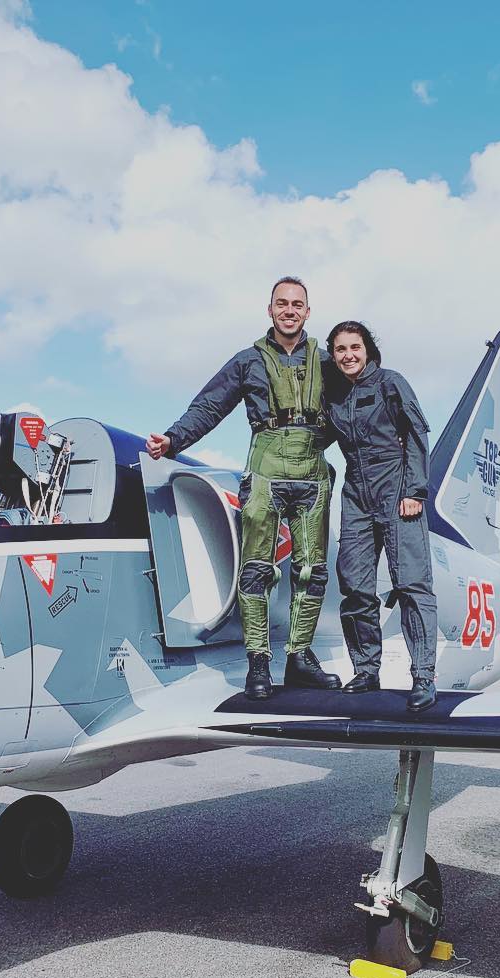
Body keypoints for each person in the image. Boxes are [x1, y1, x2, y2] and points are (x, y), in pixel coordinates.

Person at [147, 277, 342, 701]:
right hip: (266, 469)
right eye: (281, 304)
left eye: (297, 304)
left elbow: (361, 406)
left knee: (312, 571)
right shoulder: (247, 361)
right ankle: (258, 662)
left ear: (308, 312)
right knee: (256, 569)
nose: (289, 310)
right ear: (270, 310)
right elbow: (210, 405)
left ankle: (300, 657)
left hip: (313, 471)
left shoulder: (328, 362)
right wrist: (174, 439)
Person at [324, 321, 438, 712]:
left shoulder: (391, 383)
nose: (348, 355)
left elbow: (417, 433)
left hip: (396, 486)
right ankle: (366, 669)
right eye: (340, 349)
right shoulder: (334, 395)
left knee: (411, 584)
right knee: (354, 584)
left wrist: (414, 491)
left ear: (368, 350)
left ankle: (423, 676)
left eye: (354, 347)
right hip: (356, 491)